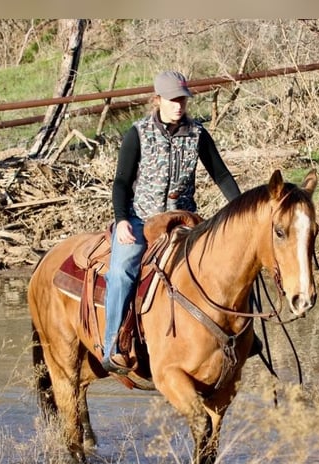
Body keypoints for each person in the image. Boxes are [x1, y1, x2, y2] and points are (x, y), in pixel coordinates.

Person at [100, 70, 242, 373]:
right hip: (142, 219)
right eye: (173, 100)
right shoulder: (137, 133)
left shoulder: (198, 134)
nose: (179, 105)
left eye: (183, 99)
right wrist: (122, 220)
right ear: (158, 100)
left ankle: (244, 336)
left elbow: (222, 176)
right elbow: (122, 182)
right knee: (123, 270)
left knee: (231, 261)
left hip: (185, 219)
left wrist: (241, 211)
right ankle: (112, 345)